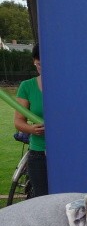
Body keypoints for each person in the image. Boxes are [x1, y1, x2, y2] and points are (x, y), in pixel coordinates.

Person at [14, 44, 47, 196]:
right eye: (39, 63)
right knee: (42, 198)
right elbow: (19, 121)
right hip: (39, 153)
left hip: (67, 151)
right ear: (34, 61)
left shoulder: (68, 85)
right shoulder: (27, 86)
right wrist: (32, 129)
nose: (42, 67)